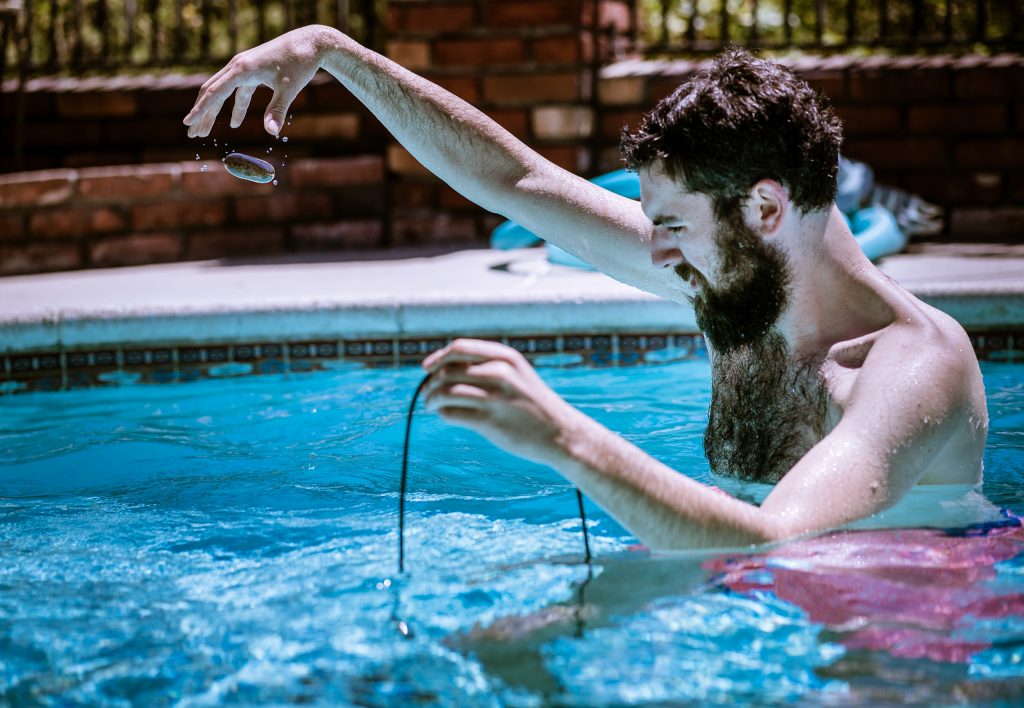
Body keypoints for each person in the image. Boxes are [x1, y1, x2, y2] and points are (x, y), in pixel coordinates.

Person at [184, 25, 988, 550]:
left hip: (896, 621)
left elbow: (776, 538)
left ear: (766, 207)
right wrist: (335, 53)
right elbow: (516, 179)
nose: (659, 252)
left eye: (673, 225)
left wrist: (566, 437)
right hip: (738, 579)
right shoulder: (732, 285)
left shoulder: (912, 367)